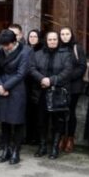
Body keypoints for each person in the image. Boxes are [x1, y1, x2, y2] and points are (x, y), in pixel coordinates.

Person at [29, 30, 72, 159]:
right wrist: (42, 79)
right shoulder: (37, 54)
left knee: (56, 122)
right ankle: (42, 146)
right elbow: (31, 68)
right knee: (41, 121)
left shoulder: (66, 54)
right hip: (41, 92)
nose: (52, 42)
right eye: (50, 39)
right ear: (46, 41)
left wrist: (51, 80)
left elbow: (67, 71)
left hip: (58, 92)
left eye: (55, 39)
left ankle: (54, 148)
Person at [0, 29, 31, 165]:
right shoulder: (0, 49)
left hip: (17, 89)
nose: (5, 48)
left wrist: (5, 87)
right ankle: (6, 149)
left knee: (17, 121)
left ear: (14, 42)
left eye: (7, 45)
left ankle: (16, 150)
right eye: (3, 45)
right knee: (4, 121)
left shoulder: (25, 51)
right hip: (1, 86)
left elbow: (21, 73)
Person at [58, 26, 87, 153]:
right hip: (60, 85)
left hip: (74, 86)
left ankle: (70, 138)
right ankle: (60, 137)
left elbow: (82, 67)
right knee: (60, 113)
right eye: (62, 34)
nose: (65, 36)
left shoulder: (77, 48)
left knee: (71, 112)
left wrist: (67, 77)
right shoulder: (58, 48)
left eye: (67, 34)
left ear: (71, 35)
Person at [24, 29, 43, 144]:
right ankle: (28, 136)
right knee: (28, 112)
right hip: (27, 84)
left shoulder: (42, 50)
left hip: (38, 84)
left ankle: (37, 137)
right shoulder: (25, 49)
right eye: (30, 36)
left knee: (38, 113)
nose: (32, 38)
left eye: (35, 36)